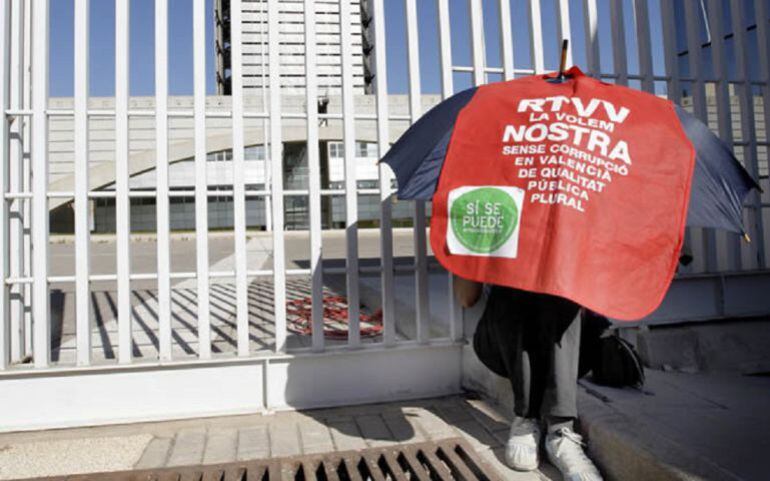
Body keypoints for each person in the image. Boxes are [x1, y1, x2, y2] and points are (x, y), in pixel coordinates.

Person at [454, 276, 603, 480]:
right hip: (503, 344)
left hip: (569, 345)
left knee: (561, 286)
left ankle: (560, 432)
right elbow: (466, 298)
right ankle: (527, 416)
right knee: (518, 285)